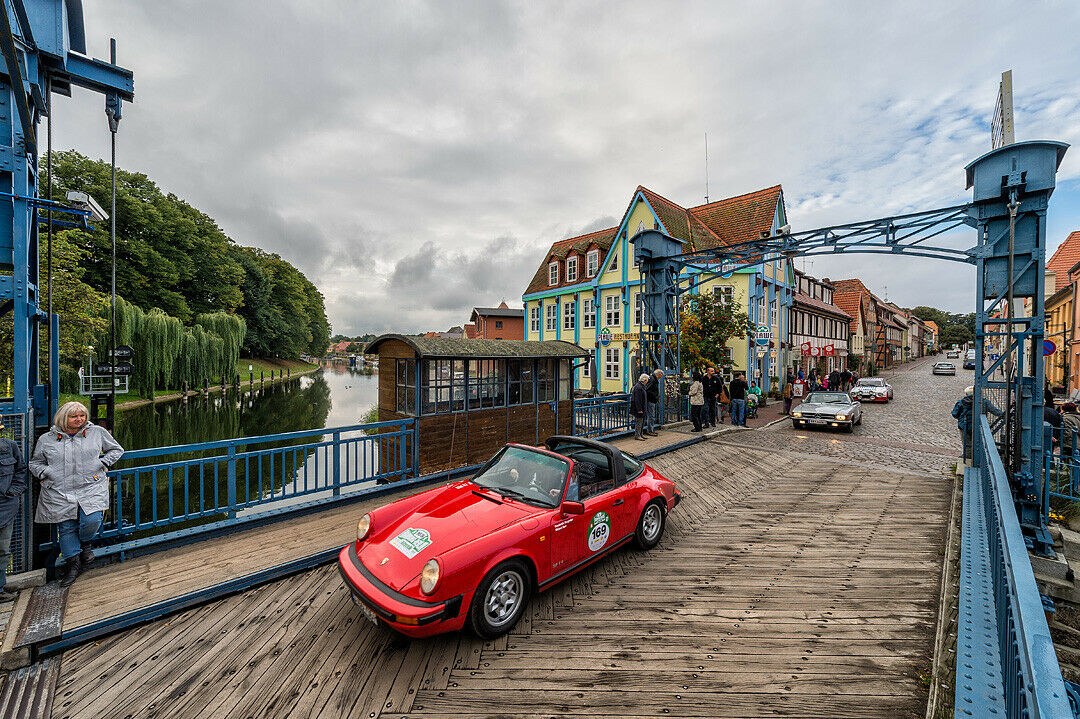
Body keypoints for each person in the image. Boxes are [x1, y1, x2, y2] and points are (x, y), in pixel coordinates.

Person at [31, 402, 124, 587]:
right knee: (66, 527)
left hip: (90, 486)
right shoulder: (46, 439)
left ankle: (85, 543)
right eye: (74, 416)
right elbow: (35, 463)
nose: (79, 419)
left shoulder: (97, 432)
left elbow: (117, 450)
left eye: (82, 415)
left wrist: (103, 463)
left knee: (92, 520)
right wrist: (47, 473)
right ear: (63, 418)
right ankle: (72, 567)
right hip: (59, 490)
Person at [0, 425, 27, 602]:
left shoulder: (10, 446)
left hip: (5, 508)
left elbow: (21, 470)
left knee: (2, 550)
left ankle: (0, 587)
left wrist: (13, 492)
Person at [643, 369, 663, 437]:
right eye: (660, 376)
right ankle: (650, 430)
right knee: (651, 415)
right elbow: (648, 389)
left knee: (651, 415)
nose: (660, 378)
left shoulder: (652, 379)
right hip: (651, 400)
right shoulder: (652, 380)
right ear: (658, 375)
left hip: (652, 400)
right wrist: (654, 396)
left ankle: (650, 429)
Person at [630, 374, 649, 441]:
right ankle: (637, 435)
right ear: (645, 380)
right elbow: (637, 399)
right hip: (639, 408)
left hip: (642, 407)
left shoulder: (641, 386)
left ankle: (640, 434)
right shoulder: (638, 387)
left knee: (642, 421)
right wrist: (639, 409)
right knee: (639, 421)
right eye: (647, 380)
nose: (647, 381)